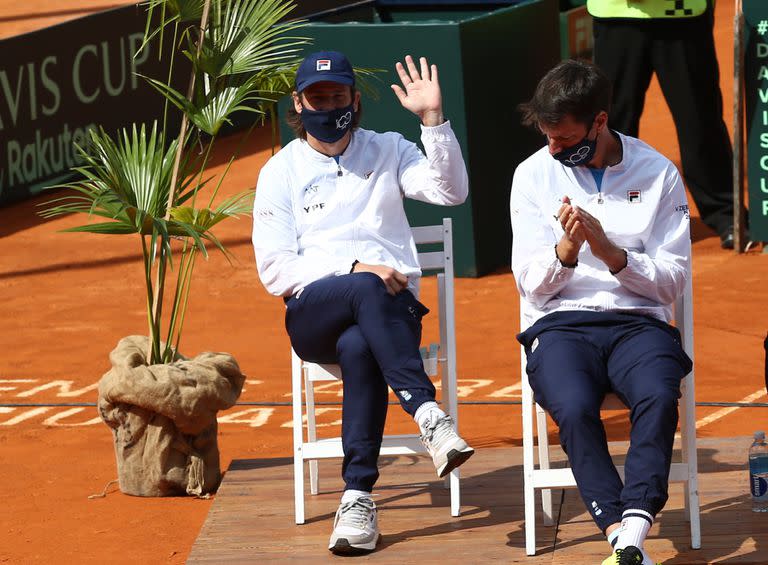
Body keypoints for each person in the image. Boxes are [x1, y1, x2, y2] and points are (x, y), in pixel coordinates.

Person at [251, 50, 474, 555]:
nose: (327, 107)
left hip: (389, 317)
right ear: (298, 102)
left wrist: (434, 122)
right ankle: (428, 415)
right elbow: (275, 270)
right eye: (317, 98)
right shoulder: (279, 171)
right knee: (366, 289)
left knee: (359, 349)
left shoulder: (390, 149)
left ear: (354, 98)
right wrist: (354, 269)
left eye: (337, 96)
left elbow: (451, 192)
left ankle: (356, 498)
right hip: (314, 314)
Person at [511, 60, 693, 565]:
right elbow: (529, 284)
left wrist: (613, 255)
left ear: (599, 121)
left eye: (565, 139)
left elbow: (672, 280)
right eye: (548, 136)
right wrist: (567, 250)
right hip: (561, 323)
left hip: (639, 321)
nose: (554, 149)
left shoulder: (656, 172)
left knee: (658, 394)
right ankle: (624, 534)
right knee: (571, 407)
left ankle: (630, 529)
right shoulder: (531, 175)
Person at [588, 0, 739, 248]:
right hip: (616, 15)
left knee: (699, 117)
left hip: (682, 14)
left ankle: (725, 213)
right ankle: (610, 212)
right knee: (611, 122)